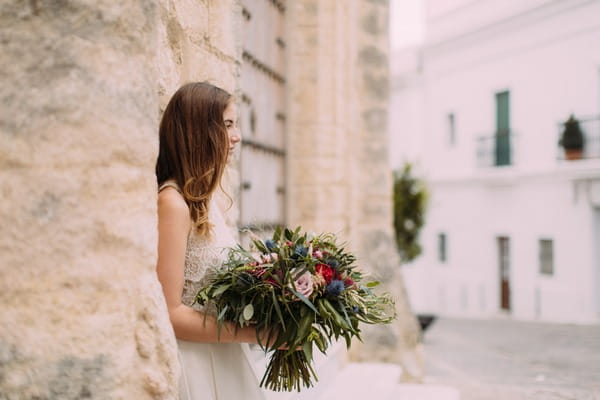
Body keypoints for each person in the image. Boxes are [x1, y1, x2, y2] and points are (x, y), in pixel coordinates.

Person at [155, 82, 266, 400]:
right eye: (227, 125)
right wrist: (258, 332)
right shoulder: (172, 203)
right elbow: (170, 312)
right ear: (198, 130)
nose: (237, 136)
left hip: (224, 357)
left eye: (236, 125)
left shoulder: (208, 199)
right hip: (195, 365)